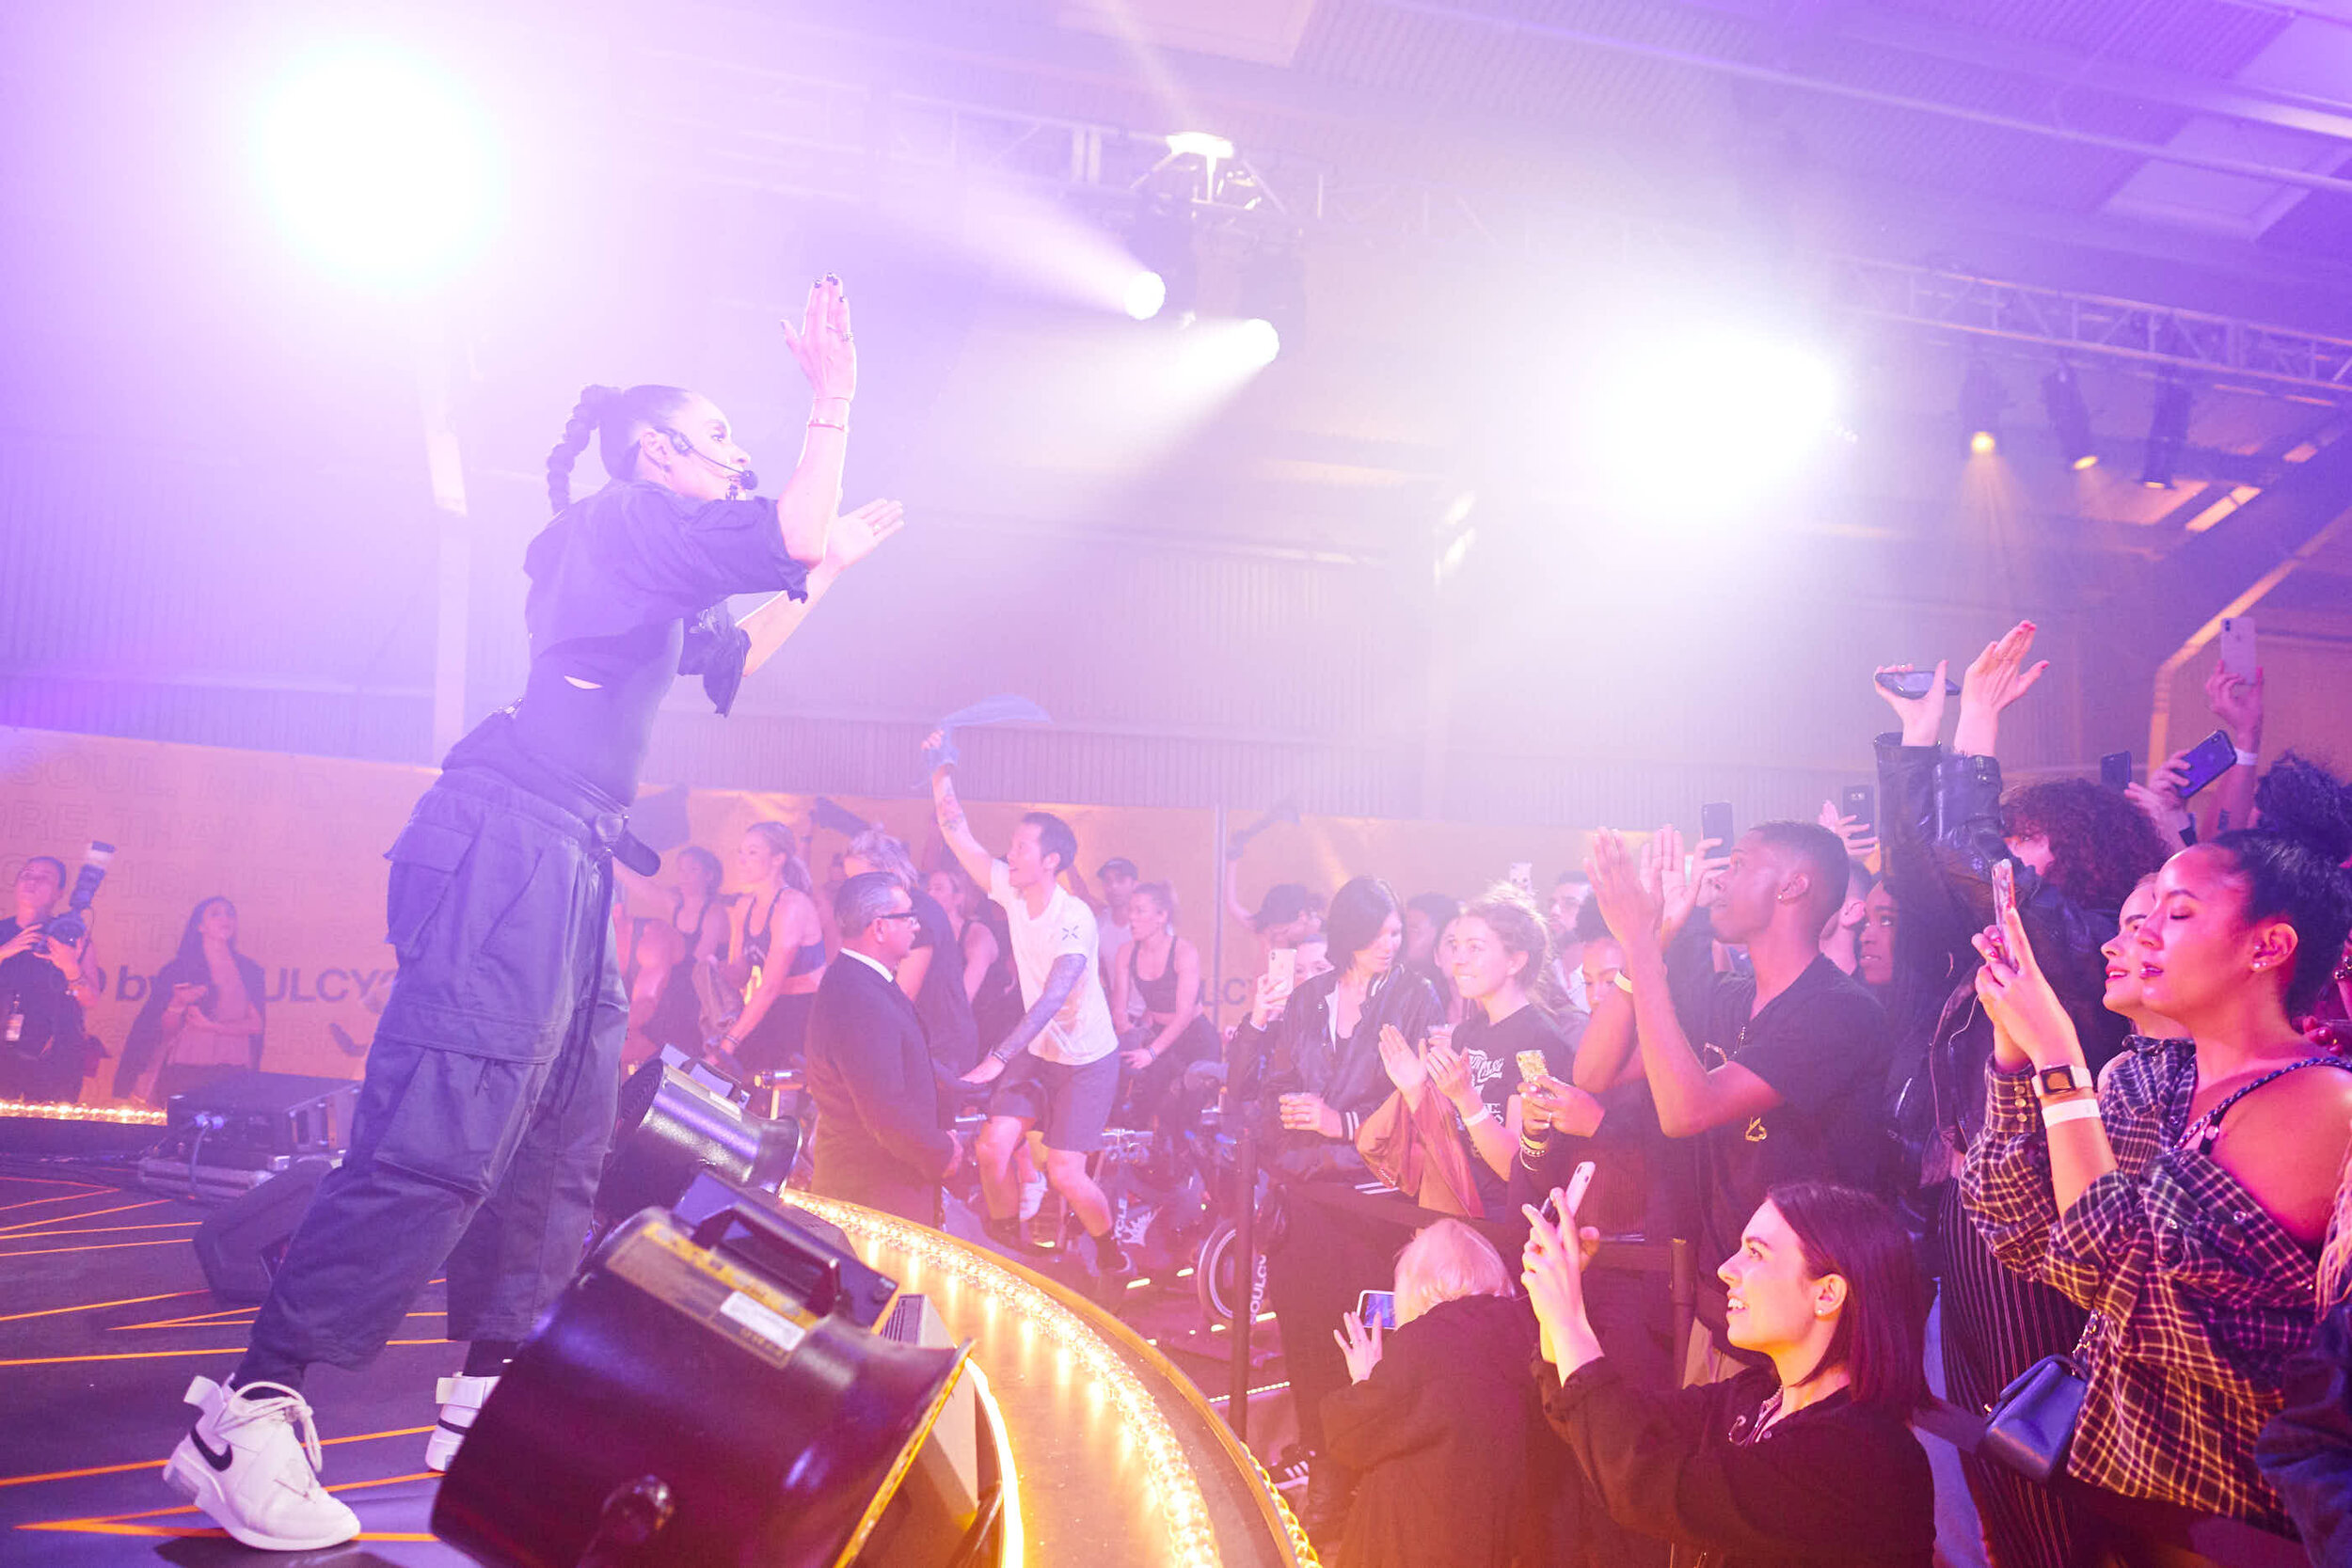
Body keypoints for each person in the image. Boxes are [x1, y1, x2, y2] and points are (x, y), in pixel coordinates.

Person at [163, 278, 899, 1552]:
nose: (734, 453)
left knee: (559, 1141)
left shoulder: (647, 559)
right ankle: (251, 1412)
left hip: (570, 858)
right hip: (510, 844)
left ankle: (490, 1391)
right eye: (717, 437)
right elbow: (786, 527)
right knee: (440, 1133)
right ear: (655, 453)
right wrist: (830, 403)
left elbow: (735, 653)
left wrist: (821, 571)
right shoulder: (625, 519)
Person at [1873, 622, 2169, 1568]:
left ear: (2077, 858)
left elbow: (1971, 863)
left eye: (2020, 841)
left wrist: (1979, 729)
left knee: (2034, 1453)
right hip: (1961, 1207)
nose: (1997, 854)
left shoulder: (2082, 944)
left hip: (2034, 1225)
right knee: (1983, 1448)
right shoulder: (1999, 945)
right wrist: (1918, 738)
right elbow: (1922, 877)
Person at [1963, 828, 2352, 1535]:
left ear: (2268, 946)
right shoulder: (2169, 1083)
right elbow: (2021, 1228)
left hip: (2234, 1522)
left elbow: (2117, 1270)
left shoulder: (2322, 1101)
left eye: (2177, 913)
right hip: (2123, 1487)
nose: (2142, 935)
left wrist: (2059, 1056)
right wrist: (2016, 1049)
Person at [1565, 821, 1893, 1382]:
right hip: (1723, 1308)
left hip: (1806, 1320)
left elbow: (1686, 1111)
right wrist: (1654, 939)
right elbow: (1594, 1071)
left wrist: (1640, 942)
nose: (1718, 881)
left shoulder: (1841, 1011)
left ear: (1792, 885)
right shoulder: (1725, 999)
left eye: (1739, 865)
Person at [1522, 1179, 1934, 1567]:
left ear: (1826, 1294)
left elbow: (1637, 1480)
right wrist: (1553, 1316)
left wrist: (1568, 1319)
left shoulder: (1864, 1459)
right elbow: (1607, 1429)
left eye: (1755, 1253)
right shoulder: (1755, 1397)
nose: (1725, 1269)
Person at [1232, 875, 1443, 1531]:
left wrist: (1340, 1123)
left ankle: (1369, 1471)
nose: (1390, 943)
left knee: (1370, 1338)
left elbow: (1420, 1100)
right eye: (1378, 933)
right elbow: (1264, 1087)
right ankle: (1325, 1464)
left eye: (1397, 932)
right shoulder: (1310, 996)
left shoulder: (1415, 994)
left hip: (1374, 1199)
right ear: (1348, 934)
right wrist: (1290, 1105)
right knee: (1306, 1336)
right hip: (1305, 1194)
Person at [928, 736, 1128, 1276]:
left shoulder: (1075, 918)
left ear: (1050, 861)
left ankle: (1110, 1248)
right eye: (1012, 847)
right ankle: (1008, 1244)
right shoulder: (1011, 891)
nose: (1009, 855)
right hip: (1037, 1051)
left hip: (1086, 1061)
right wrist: (941, 771)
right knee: (991, 1149)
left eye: (1021, 848)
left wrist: (999, 1056)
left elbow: (1054, 996)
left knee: (1065, 1172)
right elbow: (958, 834)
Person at [1321, 1220, 1543, 1568]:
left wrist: (1365, 1378)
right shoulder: (1526, 1334)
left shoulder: (1427, 1343)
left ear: (1417, 1285)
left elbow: (1348, 1436)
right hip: (1501, 1541)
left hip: (1426, 1546)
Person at [802, 873, 961, 1225]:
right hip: (870, 1201)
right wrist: (941, 1152)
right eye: (908, 917)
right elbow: (886, 1110)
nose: (916, 926)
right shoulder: (859, 998)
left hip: (875, 1192)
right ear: (879, 928)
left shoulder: (863, 981)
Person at [845, 829, 977, 1088]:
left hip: (939, 1048)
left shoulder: (918, 914)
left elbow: (903, 995)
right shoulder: (882, 912)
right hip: (912, 1040)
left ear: (891, 873)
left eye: (862, 879)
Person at [119, 897, 267, 1105]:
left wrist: (213, 1027)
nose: (225, 918)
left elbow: (256, 1025)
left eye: (230, 913)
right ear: (200, 926)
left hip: (233, 1070)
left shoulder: (249, 970)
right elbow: (162, 1030)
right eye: (215, 914)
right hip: (186, 1068)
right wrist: (177, 1004)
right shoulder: (179, 969)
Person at [718, 822, 827, 1074]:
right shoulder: (744, 906)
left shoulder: (791, 906)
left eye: (752, 852)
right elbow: (741, 975)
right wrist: (717, 971)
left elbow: (770, 986)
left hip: (806, 1012)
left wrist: (731, 1041)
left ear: (778, 859)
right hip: (772, 1005)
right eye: (740, 852)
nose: (742, 860)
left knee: (744, 1065)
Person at [1107, 881, 1215, 1134]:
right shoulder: (1126, 952)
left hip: (1195, 1039)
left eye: (1140, 911)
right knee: (1143, 1110)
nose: (1131, 917)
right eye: (1130, 910)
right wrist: (1130, 1034)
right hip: (1158, 1036)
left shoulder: (1184, 951)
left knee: (1184, 1121)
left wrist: (1152, 1052)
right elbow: (1119, 1008)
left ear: (1162, 916)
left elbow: (1184, 1015)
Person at [0, 854, 96, 1104]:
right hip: (2, 1055)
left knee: (45, 1125)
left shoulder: (71, 936)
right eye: (27, 875)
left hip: (54, 1057)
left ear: (59, 893)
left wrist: (70, 966)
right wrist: (4, 951)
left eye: (44, 878)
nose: (32, 881)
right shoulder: (2, 932)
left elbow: (89, 1000)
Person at [930, 865, 1021, 1055]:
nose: (930, 894)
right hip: (956, 1024)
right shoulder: (930, 935)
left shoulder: (977, 935)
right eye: (928, 888)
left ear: (958, 898)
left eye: (938, 888)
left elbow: (963, 1000)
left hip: (988, 1027)